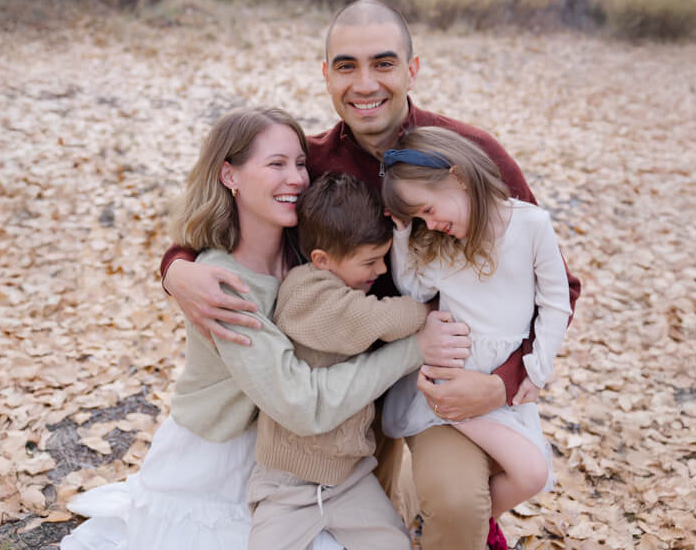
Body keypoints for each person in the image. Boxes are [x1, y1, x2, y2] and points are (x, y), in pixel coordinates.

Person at [159, 0, 581, 550]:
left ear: (412, 69)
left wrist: (499, 382)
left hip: (444, 375)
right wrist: (176, 269)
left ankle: (461, 517)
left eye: (383, 64)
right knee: (368, 521)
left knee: (454, 501)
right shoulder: (310, 165)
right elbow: (226, 213)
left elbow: (555, 283)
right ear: (327, 75)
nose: (364, 84)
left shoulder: (470, 156)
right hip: (341, 387)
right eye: (345, 66)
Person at [60, 108, 457, 550]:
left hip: (304, 456)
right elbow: (302, 403)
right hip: (223, 458)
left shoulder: (307, 251)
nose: (296, 179)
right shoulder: (222, 282)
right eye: (275, 164)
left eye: (300, 163)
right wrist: (414, 347)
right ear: (229, 174)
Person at [381, 126, 572, 519]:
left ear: (460, 178)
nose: (428, 225)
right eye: (418, 218)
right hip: (449, 385)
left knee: (527, 474)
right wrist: (402, 234)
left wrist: (536, 370)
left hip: (496, 383)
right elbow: (413, 290)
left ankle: (468, 528)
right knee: (531, 472)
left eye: (428, 210)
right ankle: (473, 530)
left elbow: (556, 300)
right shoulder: (442, 246)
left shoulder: (531, 226)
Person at [249, 172, 430, 550]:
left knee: (393, 542)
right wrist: (428, 310)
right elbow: (378, 319)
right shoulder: (306, 293)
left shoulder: (341, 289)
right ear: (322, 260)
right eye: (371, 262)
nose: (380, 272)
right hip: (288, 482)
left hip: (349, 478)